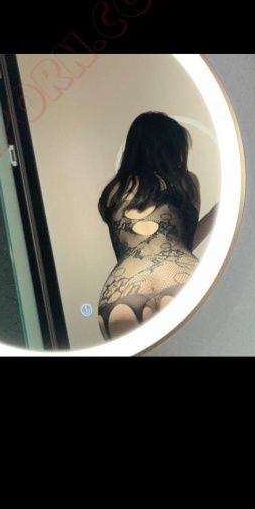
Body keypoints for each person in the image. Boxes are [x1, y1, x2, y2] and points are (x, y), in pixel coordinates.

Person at [98, 111, 217, 341]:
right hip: (177, 277)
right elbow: (183, 243)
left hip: (122, 292)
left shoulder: (114, 191)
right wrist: (215, 215)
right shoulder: (186, 182)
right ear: (172, 149)